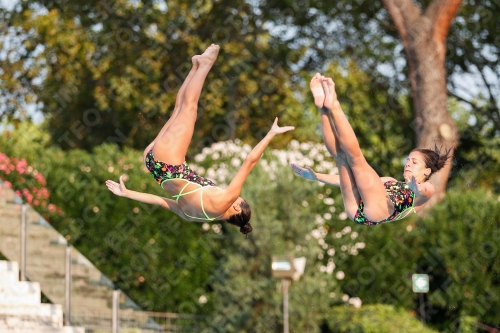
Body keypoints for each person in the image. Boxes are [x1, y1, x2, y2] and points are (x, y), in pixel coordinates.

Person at [106, 44, 294, 234]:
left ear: (237, 207)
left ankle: (204, 64)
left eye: (239, 200)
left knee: (189, 108)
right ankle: (196, 66)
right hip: (155, 166)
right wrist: (127, 193)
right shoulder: (193, 216)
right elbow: (160, 201)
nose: (237, 198)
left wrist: (271, 134)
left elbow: (249, 161)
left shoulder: (227, 199)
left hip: (170, 162)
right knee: (180, 109)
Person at [291, 73, 451, 226]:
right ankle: (323, 109)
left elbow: (425, 190)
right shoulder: (390, 181)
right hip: (356, 211)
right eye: (408, 160)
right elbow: (346, 181)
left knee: (357, 159)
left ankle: (334, 104)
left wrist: (416, 188)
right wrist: (316, 176)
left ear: (427, 172)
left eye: (414, 162)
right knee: (341, 157)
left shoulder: (424, 193)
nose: (408, 164)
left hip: (378, 211)